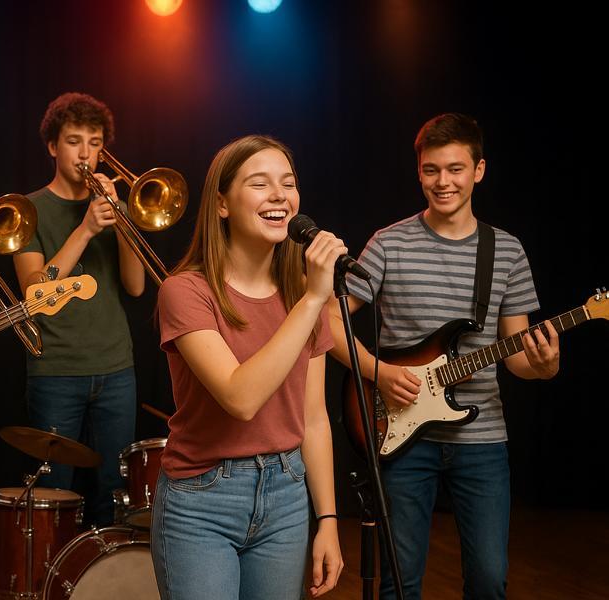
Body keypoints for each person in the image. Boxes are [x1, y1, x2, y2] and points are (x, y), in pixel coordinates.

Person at [326, 113, 560, 599]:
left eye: (455, 169)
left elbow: (516, 355)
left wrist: (543, 365)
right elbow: (326, 320)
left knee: (489, 581)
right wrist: (382, 373)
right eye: (431, 170)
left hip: (483, 439)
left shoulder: (507, 251)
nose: (443, 182)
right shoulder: (389, 242)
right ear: (418, 172)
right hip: (402, 431)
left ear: (479, 170)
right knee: (400, 582)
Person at [152, 134, 345, 600]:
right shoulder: (185, 292)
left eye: (288, 183)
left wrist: (329, 521)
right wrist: (316, 298)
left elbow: (314, 419)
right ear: (222, 203)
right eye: (260, 184)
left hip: (286, 494)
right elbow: (240, 398)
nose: (280, 195)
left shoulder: (303, 294)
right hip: (202, 498)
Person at [13, 92, 145, 526]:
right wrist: (86, 229)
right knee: (54, 495)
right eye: (74, 141)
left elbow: (136, 285)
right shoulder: (26, 210)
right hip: (56, 371)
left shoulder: (112, 208)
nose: (86, 152)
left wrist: (120, 220)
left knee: (116, 490)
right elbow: (34, 297)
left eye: (95, 142)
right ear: (53, 146)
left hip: (115, 368)